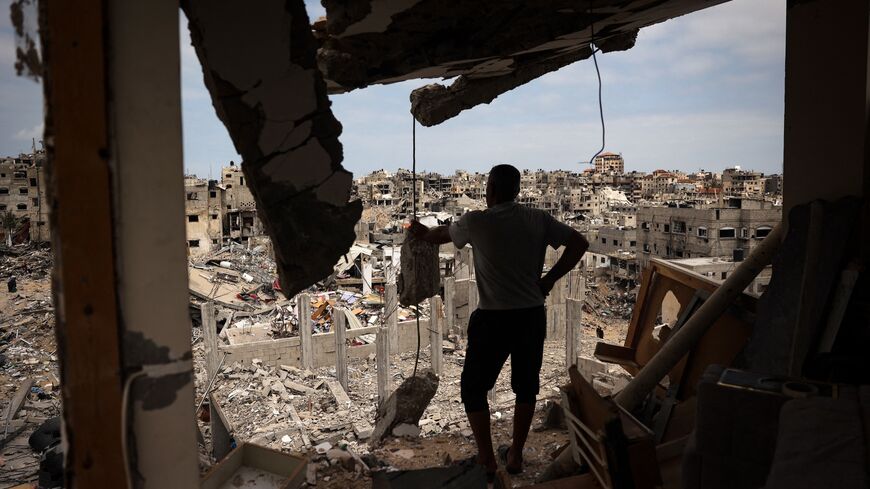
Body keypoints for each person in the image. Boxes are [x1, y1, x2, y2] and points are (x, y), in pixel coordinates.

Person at [410, 164, 588, 478]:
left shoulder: (476, 221)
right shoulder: (537, 219)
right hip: (530, 317)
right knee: (526, 388)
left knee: (473, 389)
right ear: (517, 190)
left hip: (492, 319)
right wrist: (548, 281)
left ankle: (487, 458)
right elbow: (579, 244)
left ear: (490, 189)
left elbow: (438, 236)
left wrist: (420, 231)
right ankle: (516, 455)